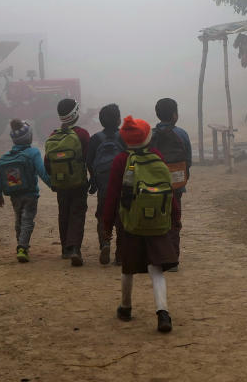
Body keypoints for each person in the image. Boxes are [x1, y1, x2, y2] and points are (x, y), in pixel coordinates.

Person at [102, 116, 180, 333]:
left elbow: (112, 196)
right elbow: (169, 191)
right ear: (147, 138)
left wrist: (107, 224)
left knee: (128, 267)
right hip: (157, 221)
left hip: (130, 223)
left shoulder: (120, 161)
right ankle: (162, 312)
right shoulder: (157, 157)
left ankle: (125, 307)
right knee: (156, 269)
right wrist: (175, 217)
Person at [0, 119, 51, 262]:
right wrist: (53, 184)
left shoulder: (8, 157)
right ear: (29, 137)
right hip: (30, 194)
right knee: (28, 220)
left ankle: (20, 243)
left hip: (15, 195)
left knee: (19, 219)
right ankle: (22, 246)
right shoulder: (33, 153)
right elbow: (42, 171)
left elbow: (0, 177)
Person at [44, 98, 91, 266]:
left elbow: (47, 163)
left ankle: (65, 249)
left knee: (63, 213)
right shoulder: (83, 134)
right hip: (78, 183)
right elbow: (88, 158)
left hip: (61, 184)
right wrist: (91, 178)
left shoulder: (53, 136)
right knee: (77, 213)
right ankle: (74, 248)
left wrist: (55, 178)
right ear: (76, 114)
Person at [151, 98, 192, 272]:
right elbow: (188, 160)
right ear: (175, 115)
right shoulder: (181, 134)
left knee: (156, 220)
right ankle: (173, 259)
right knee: (174, 219)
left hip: (154, 187)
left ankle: (158, 257)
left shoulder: (151, 134)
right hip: (175, 185)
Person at [84, 103, 124, 265]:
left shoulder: (95, 139)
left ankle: (105, 243)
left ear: (101, 121)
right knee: (123, 219)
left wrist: (94, 179)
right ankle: (120, 254)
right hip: (122, 184)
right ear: (119, 120)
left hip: (103, 185)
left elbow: (90, 161)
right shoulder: (124, 137)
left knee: (103, 215)